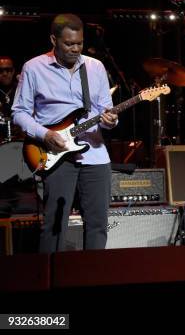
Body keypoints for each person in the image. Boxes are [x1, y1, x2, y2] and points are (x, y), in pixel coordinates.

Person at [12, 14, 118, 253]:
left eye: (79, 43)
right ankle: (52, 282)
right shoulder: (34, 67)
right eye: (69, 44)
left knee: (98, 224)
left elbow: (105, 111)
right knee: (55, 225)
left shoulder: (95, 67)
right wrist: (45, 135)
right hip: (56, 155)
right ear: (53, 40)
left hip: (96, 156)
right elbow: (19, 112)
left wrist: (111, 120)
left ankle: (92, 278)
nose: (75, 49)